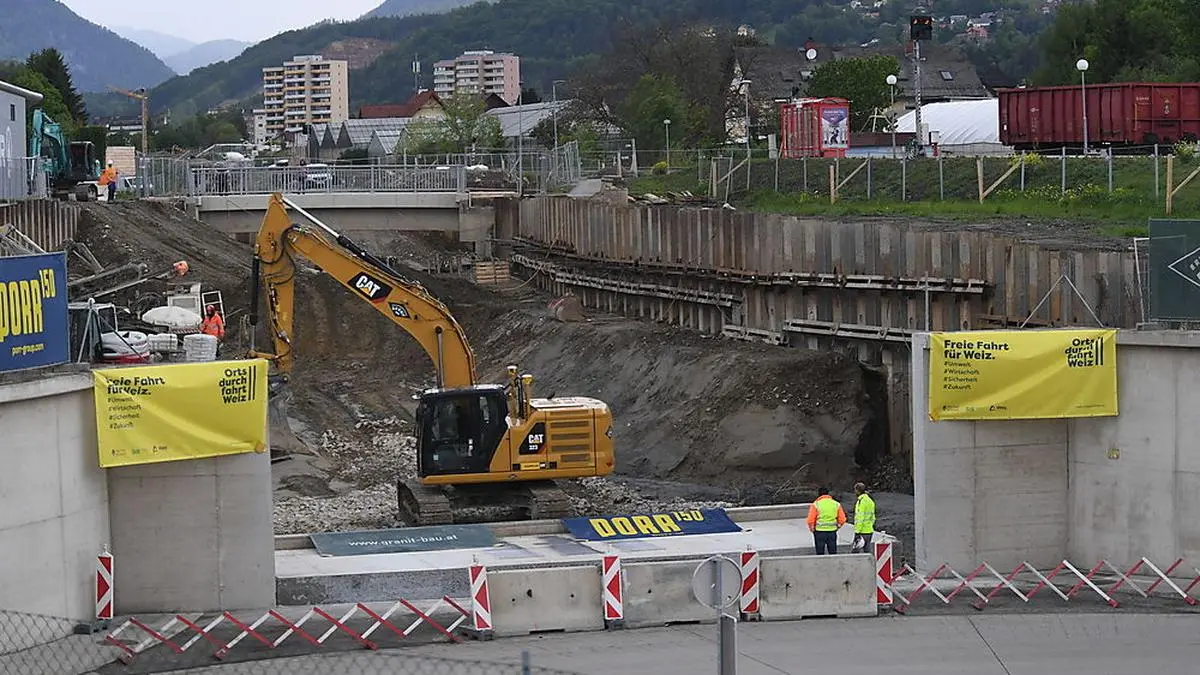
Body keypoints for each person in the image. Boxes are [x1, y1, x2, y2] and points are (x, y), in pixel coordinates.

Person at [806, 486, 846, 555]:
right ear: (828, 494)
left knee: (820, 552)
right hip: (832, 531)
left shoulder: (816, 504)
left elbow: (810, 519)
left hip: (819, 531)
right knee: (832, 552)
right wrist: (838, 526)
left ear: (819, 494)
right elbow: (842, 519)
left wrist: (812, 528)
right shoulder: (836, 504)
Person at [852, 482, 876, 553]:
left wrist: (857, 531)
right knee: (867, 551)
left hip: (862, 531)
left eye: (855, 490)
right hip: (869, 530)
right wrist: (870, 525)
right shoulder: (870, 500)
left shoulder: (861, 501)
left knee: (855, 552)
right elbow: (873, 517)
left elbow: (860, 517)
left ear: (858, 491)